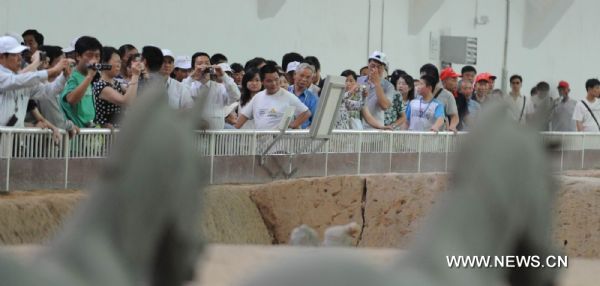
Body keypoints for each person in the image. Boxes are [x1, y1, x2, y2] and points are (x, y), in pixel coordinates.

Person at [0, 36, 70, 127]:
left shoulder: (22, 78)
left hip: (15, 137)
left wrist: (63, 77)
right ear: (1, 56)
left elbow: (47, 92)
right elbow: (17, 80)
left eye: (20, 54)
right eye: (14, 55)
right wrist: (50, 69)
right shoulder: (14, 78)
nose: (20, 58)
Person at [235, 64, 310, 130]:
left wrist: (291, 126)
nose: (274, 83)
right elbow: (242, 118)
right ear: (262, 82)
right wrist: (232, 130)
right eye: (269, 81)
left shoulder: (288, 96)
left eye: (276, 79)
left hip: (280, 143)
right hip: (259, 142)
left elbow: (306, 113)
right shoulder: (258, 97)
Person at [183, 52, 240, 128]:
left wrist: (224, 76)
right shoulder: (189, 87)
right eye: (200, 63)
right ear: (193, 68)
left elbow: (236, 96)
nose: (204, 66)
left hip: (216, 137)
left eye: (207, 63)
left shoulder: (219, 88)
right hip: (193, 136)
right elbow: (180, 98)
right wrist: (191, 77)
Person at [34, 45, 79, 137]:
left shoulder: (53, 84)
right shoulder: (41, 85)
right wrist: (70, 126)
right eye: (60, 63)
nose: (64, 67)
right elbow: (56, 121)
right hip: (40, 144)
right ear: (46, 63)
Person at [92, 47, 142, 128]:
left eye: (120, 62)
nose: (119, 65)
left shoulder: (116, 83)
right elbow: (126, 101)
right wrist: (135, 75)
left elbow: (133, 98)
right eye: (117, 62)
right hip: (105, 134)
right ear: (104, 63)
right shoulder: (101, 86)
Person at [60, 36, 102, 128]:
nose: (94, 60)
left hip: (88, 135)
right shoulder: (72, 76)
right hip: (74, 136)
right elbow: (71, 99)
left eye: (97, 56)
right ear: (78, 56)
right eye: (90, 55)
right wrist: (89, 77)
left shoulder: (88, 76)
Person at [357, 51, 395, 129]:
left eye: (379, 67)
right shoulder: (359, 81)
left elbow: (384, 106)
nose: (375, 70)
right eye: (373, 66)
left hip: (376, 129)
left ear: (383, 68)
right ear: (368, 65)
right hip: (358, 128)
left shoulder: (389, 86)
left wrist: (377, 83)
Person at [420, 64, 459, 131]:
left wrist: (452, 126)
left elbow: (454, 116)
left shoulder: (447, 95)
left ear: (435, 79)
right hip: (418, 134)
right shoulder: (418, 93)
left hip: (437, 136)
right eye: (422, 78)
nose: (423, 81)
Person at [288, 63, 319, 129]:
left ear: (311, 79)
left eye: (308, 77)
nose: (304, 79)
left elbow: (315, 123)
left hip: (302, 136)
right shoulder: (285, 92)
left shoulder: (313, 99)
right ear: (295, 75)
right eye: (301, 75)